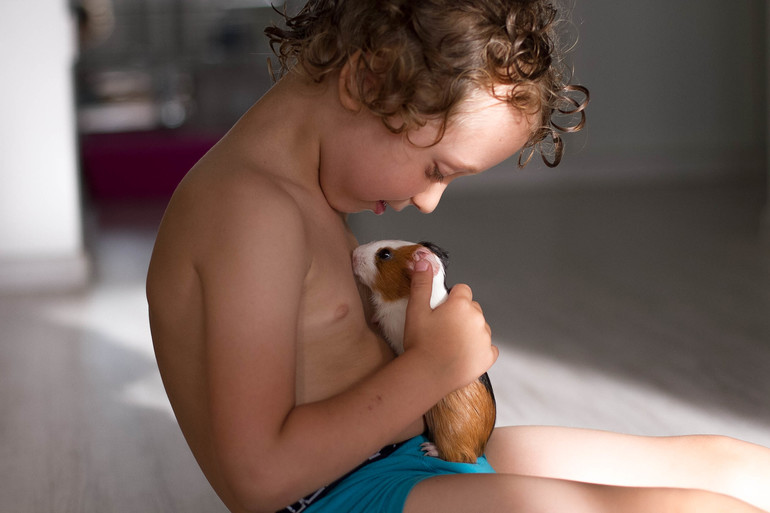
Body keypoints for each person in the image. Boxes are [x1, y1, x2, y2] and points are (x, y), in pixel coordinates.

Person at [146, 1, 770, 512]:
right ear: (365, 82)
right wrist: (431, 367)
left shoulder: (300, 192)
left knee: (728, 467)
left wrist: (418, 341)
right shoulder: (250, 213)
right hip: (351, 497)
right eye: (436, 169)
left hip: (415, 457)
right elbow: (257, 481)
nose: (428, 201)